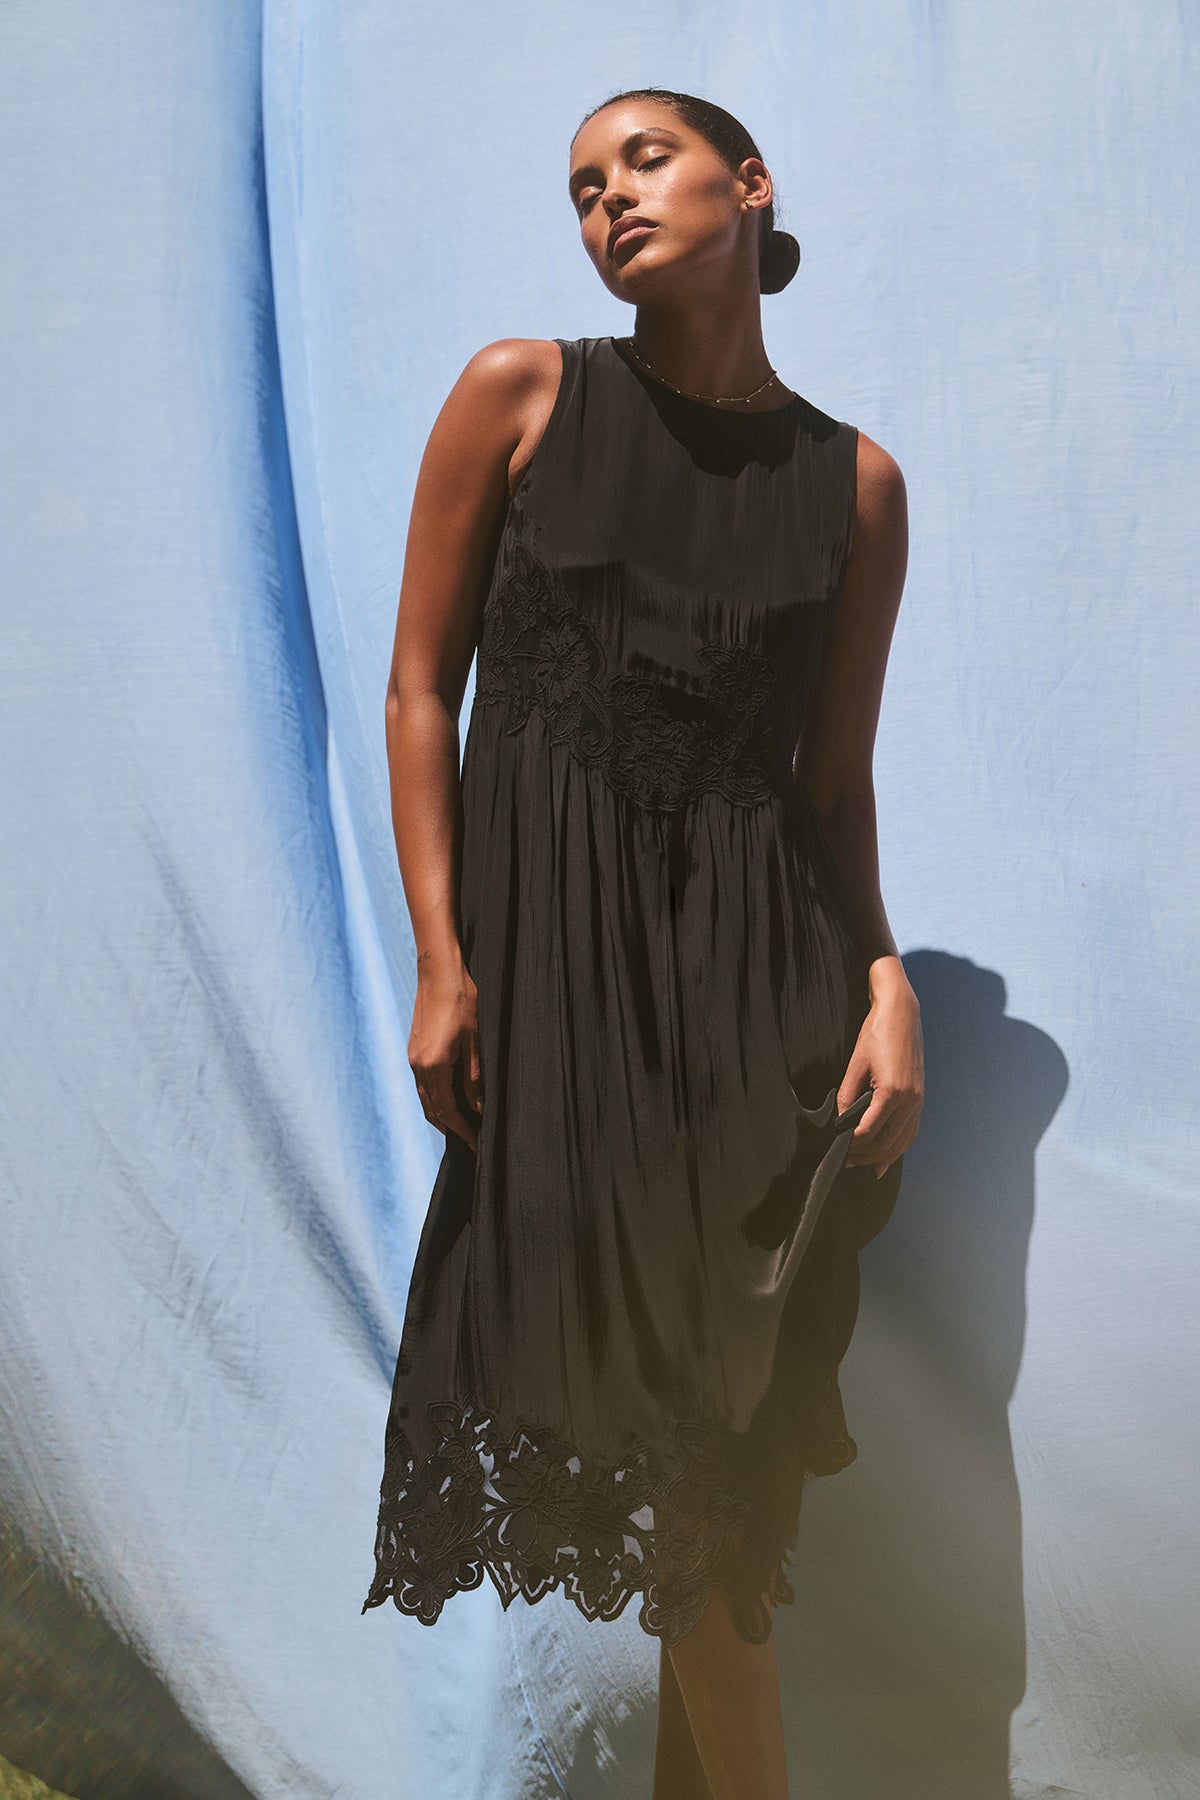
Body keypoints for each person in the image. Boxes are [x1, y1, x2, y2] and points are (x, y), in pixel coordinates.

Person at [362, 85, 924, 1800]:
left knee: (719, 1493)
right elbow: (416, 690)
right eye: (582, 184)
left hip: (770, 1014)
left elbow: (835, 783)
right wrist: (443, 959)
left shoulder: (860, 484)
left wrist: (890, 981)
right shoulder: (523, 393)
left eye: (647, 161)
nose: (608, 198)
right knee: (700, 1497)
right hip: (573, 1000)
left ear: (751, 187)